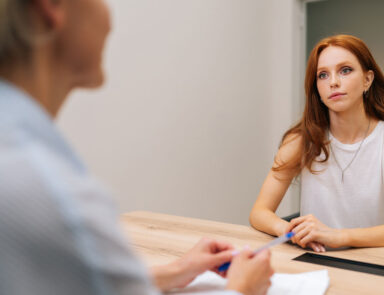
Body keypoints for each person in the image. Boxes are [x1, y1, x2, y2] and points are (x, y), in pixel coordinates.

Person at [0, 0, 273, 294]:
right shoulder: (51, 196)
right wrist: (242, 289)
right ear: (52, 5)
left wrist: (174, 271)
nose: (109, 17)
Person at [250, 34, 384, 253]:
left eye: (345, 70)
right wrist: (287, 230)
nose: (333, 82)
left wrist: (337, 236)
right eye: (322, 75)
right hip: (315, 262)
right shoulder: (301, 141)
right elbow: (259, 212)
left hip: (374, 266)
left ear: (368, 80)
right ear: (317, 88)